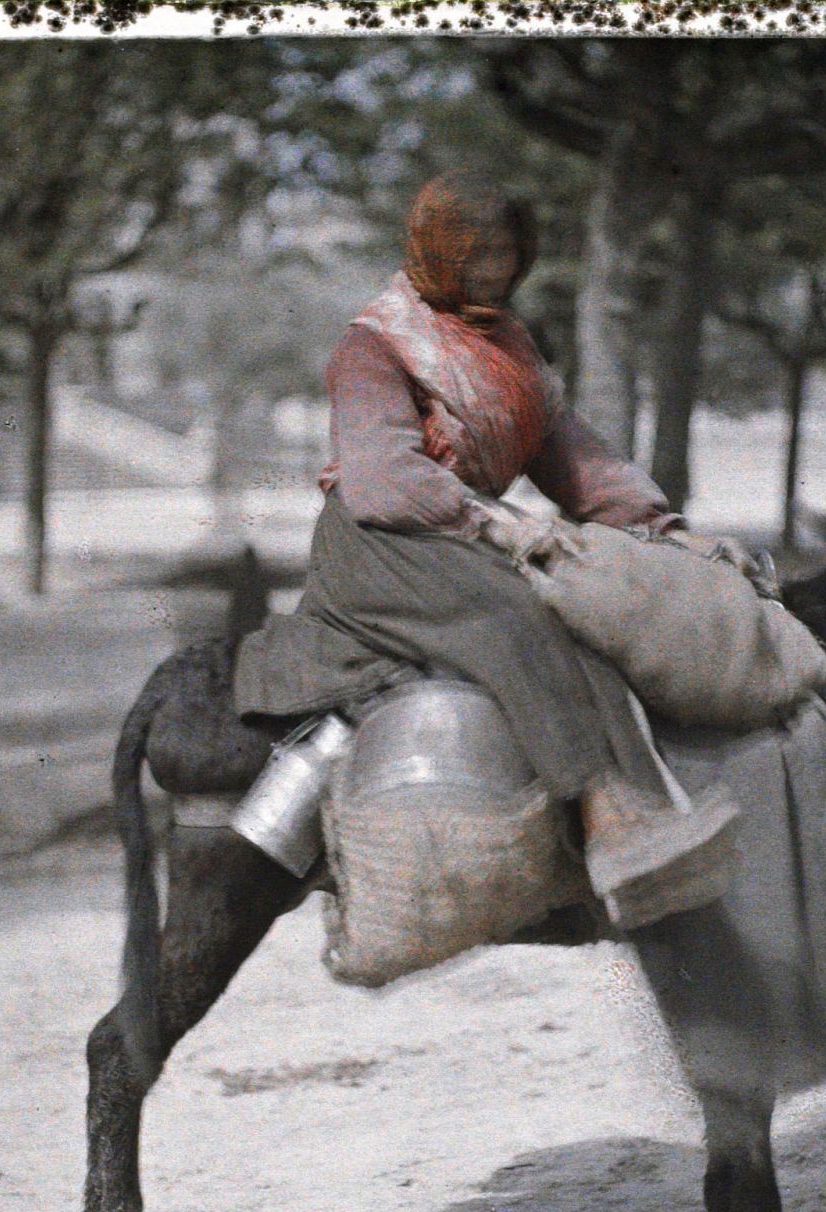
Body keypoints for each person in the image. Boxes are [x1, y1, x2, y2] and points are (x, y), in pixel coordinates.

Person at [233, 171, 747, 930]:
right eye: (476, 255)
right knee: (519, 613)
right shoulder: (372, 344)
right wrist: (500, 523)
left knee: (591, 603)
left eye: (508, 254)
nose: (494, 270)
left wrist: (666, 530)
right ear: (436, 251)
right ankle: (607, 814)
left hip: (464, 535)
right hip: (382, 544)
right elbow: (382, 479)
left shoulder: (508, 346)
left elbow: (577, 460)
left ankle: (642, 810)